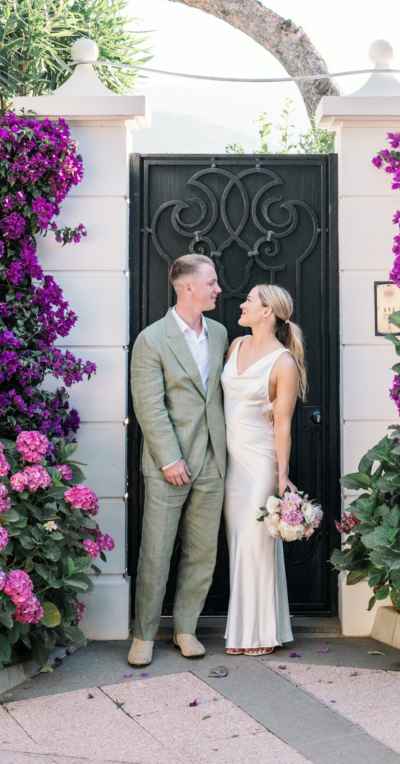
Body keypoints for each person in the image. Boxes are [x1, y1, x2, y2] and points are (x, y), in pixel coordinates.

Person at [127, 254, 228, 668]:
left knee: (202, 552)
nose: (218, 289)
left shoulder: (221, 333)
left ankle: (185, 628)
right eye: (211, 282)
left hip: (213, 460)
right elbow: (149, 406)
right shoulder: (152, 339)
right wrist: (169, 458)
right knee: (156, 550)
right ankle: (144, 634)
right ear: (188, 287)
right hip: (169, 463)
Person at [222, 282, 307, 656]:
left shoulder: (283, 362)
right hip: (229, 460)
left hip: (259, 462)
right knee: (238, 542)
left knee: (256, 545)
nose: (242, 305)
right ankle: (247, 629)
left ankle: (259, 634)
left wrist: (282, 475)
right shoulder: (236, 345)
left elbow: (283, 424)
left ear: (267, 311)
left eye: (249, 301)